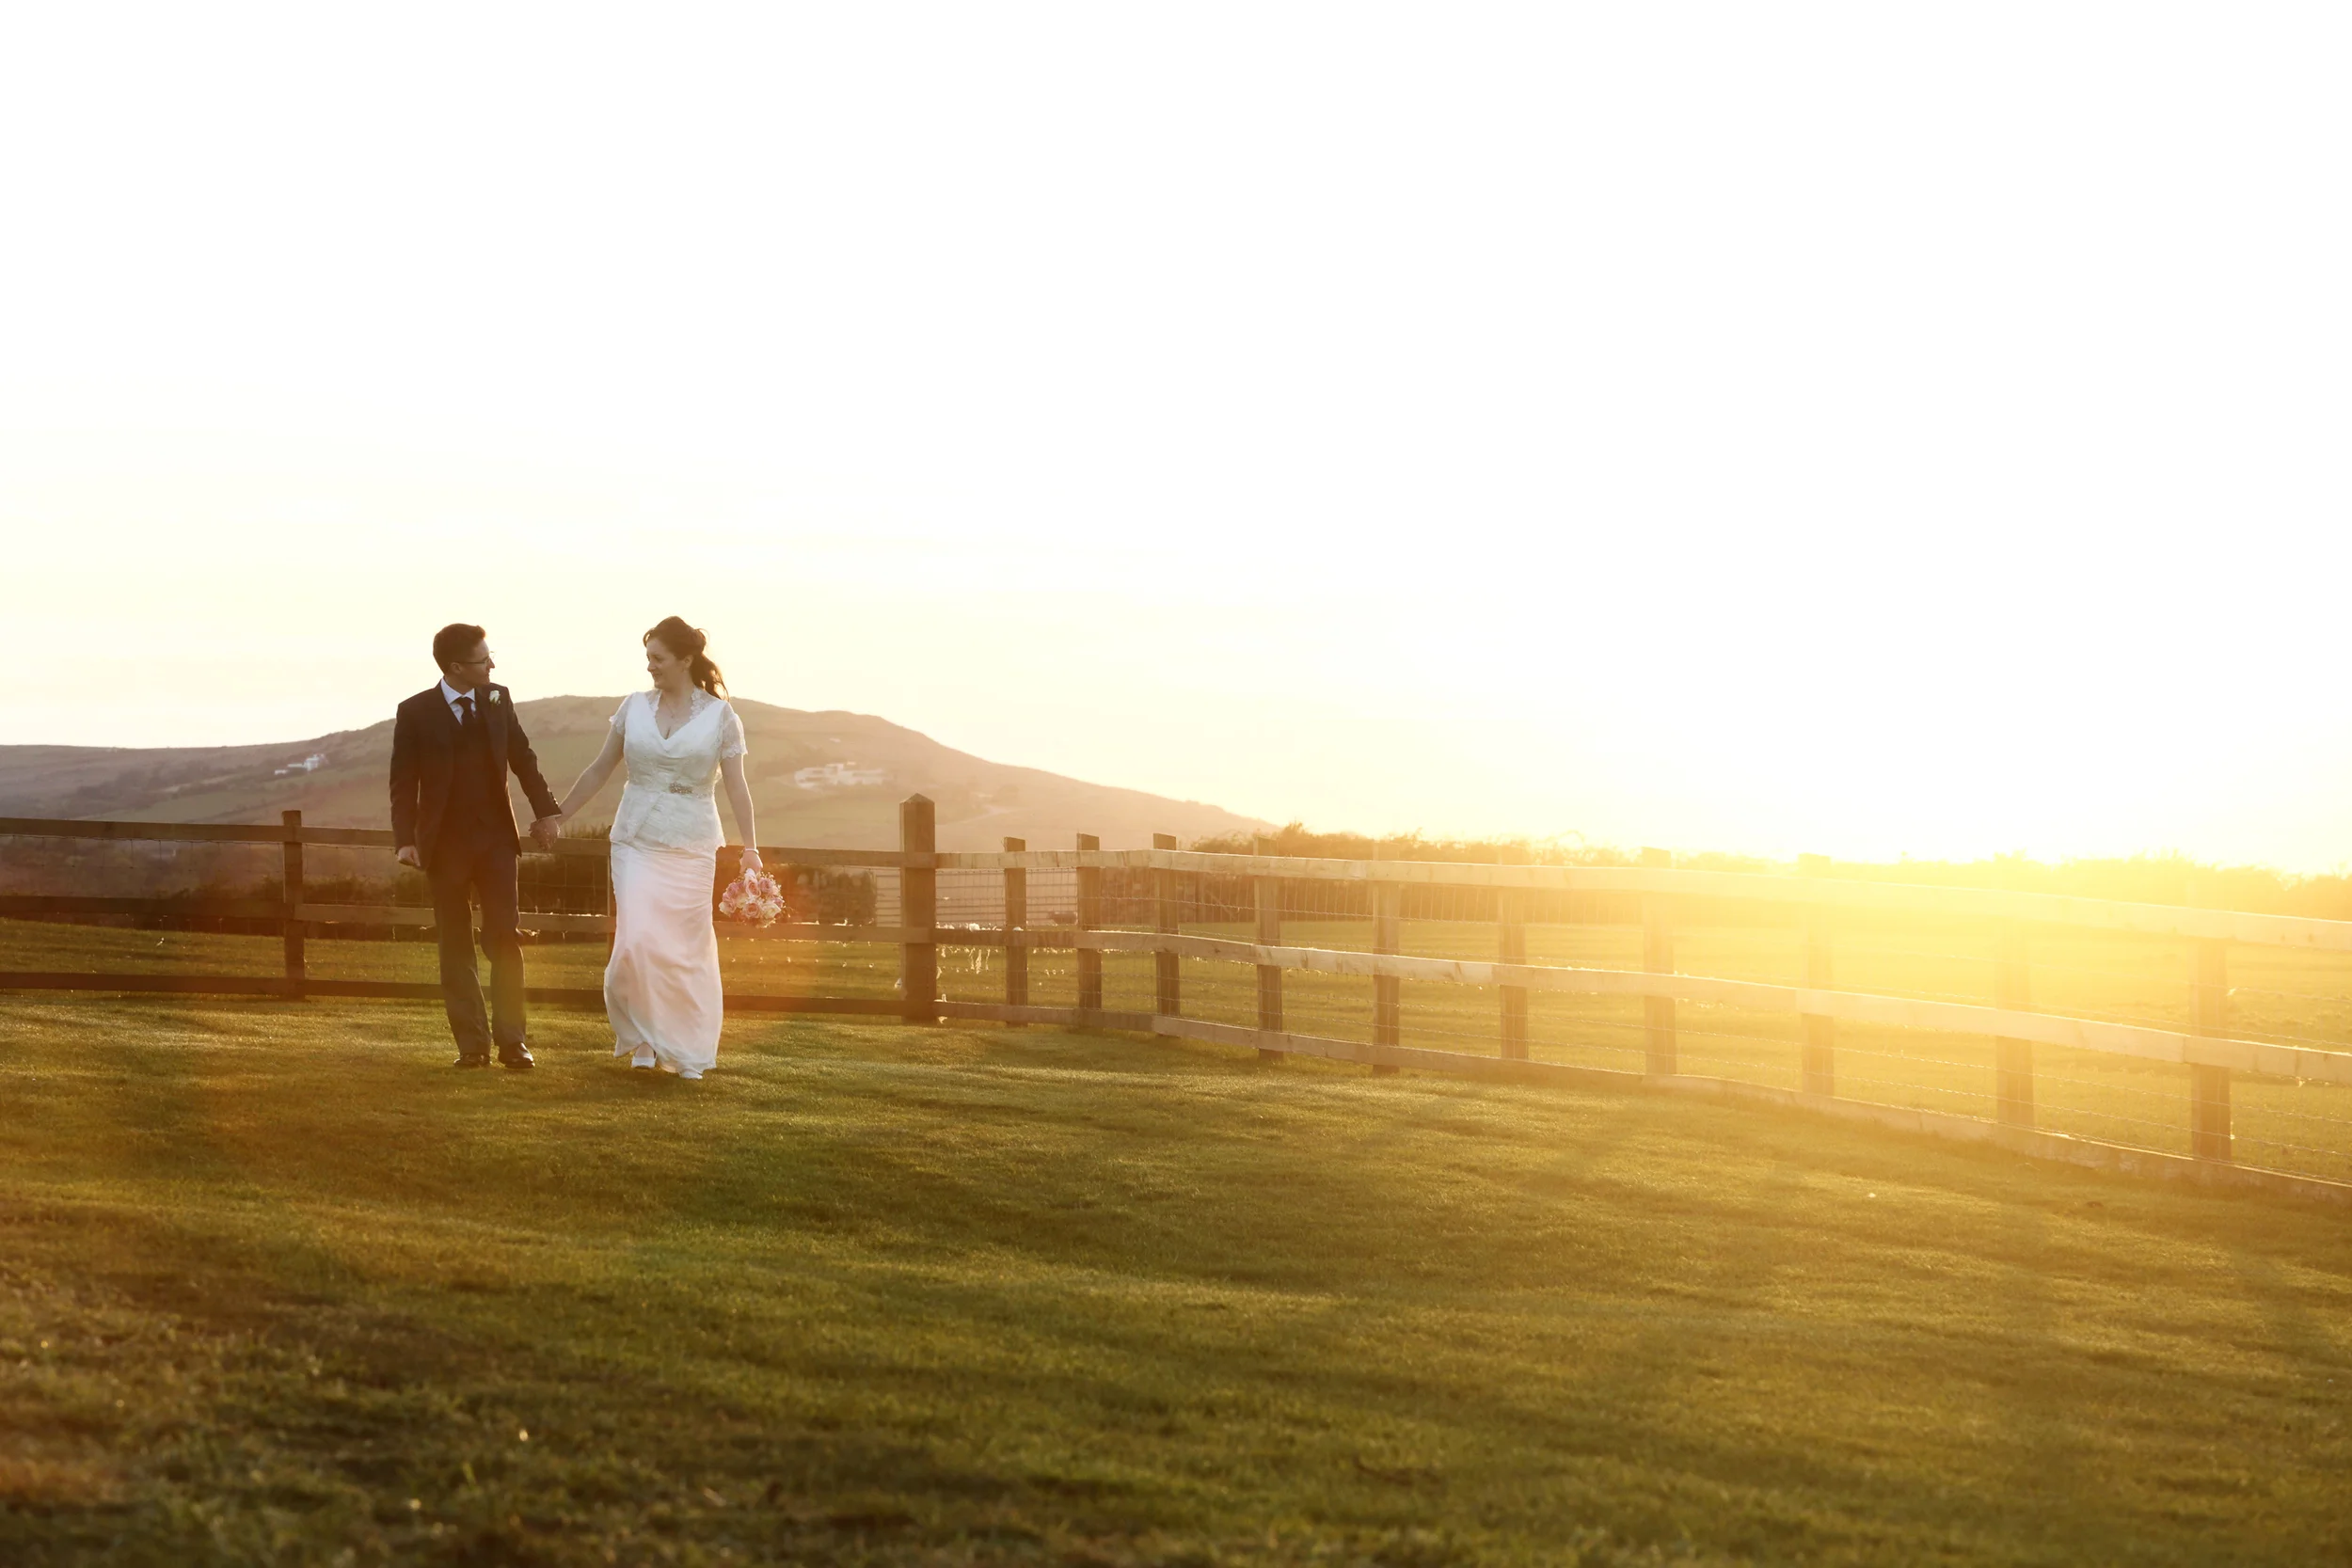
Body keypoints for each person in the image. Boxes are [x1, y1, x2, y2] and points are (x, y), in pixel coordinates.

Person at [546, 617, 759, 1080]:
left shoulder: (721, 718)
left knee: (684, 950)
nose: (651, 668)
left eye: (659, 659)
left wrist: (750, 849)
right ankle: (641, 1037)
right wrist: (558, 815)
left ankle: (684, 1049)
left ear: (686, 661)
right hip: (636, 840)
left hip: (691, 844)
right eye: (648, 659)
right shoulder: (634, 708)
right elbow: (600, 768)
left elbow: (738, 787)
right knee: (637, 940)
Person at [389, 624, 564, 1069]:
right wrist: (404, 840)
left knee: (505, 938)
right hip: (443, 846)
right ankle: (472, 1046)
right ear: (455, 667)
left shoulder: (497, 698)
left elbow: (523, 758)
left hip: (496, 843)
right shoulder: (415, 712)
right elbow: (403, 781)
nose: (492, 664)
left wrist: (546, 812)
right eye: (483, 658)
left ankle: (513, 1042)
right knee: (454, 945)